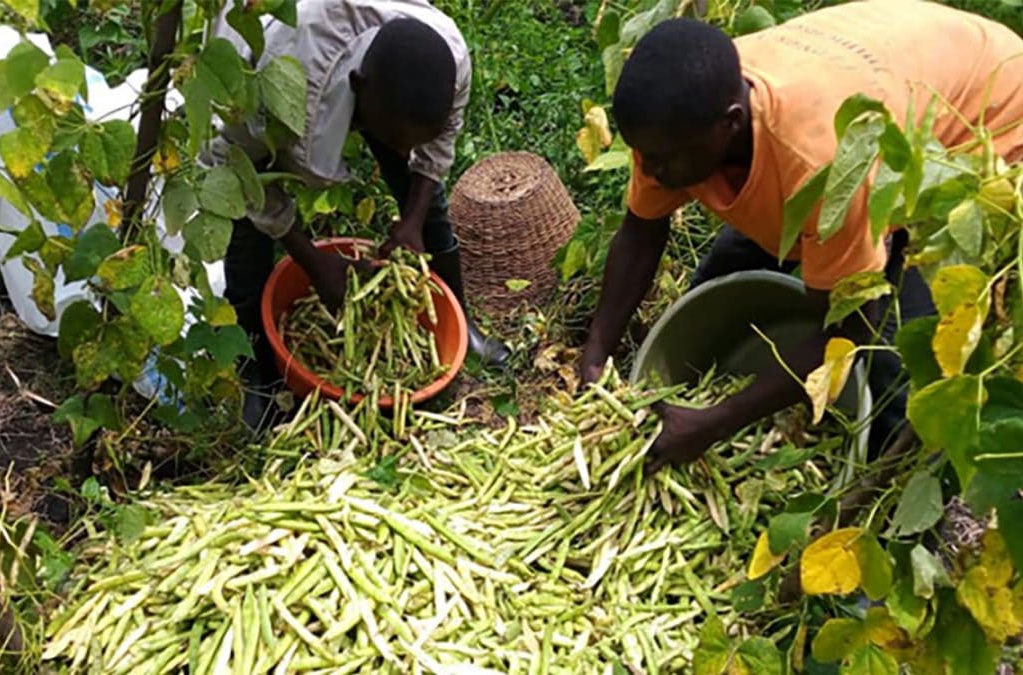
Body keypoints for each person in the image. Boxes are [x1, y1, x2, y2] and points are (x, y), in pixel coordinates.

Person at [580, 0, 1023, 468]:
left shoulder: (820, 164)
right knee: (722, 281)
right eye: (642, 154)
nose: (648, 169)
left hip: (983, 117)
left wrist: (718, 421)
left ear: (730, 124)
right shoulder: (678, 113)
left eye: (662, 159)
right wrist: (596, 354)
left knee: (893, 359)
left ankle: (884, 490)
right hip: (896, 60)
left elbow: (850, 325)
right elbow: (642, 230)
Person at [206, 1, 513, 427]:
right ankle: (256, 372)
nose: (404, 150)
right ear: (358, 87)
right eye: (392, 137)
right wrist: (310, 260)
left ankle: (460, 319)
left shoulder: (447, 54)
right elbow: (236, 171)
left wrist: (412, 220)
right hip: (266, 67)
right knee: (246, 232)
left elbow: (435, 149)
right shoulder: (277, 90)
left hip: (378, 83)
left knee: (421, 193)